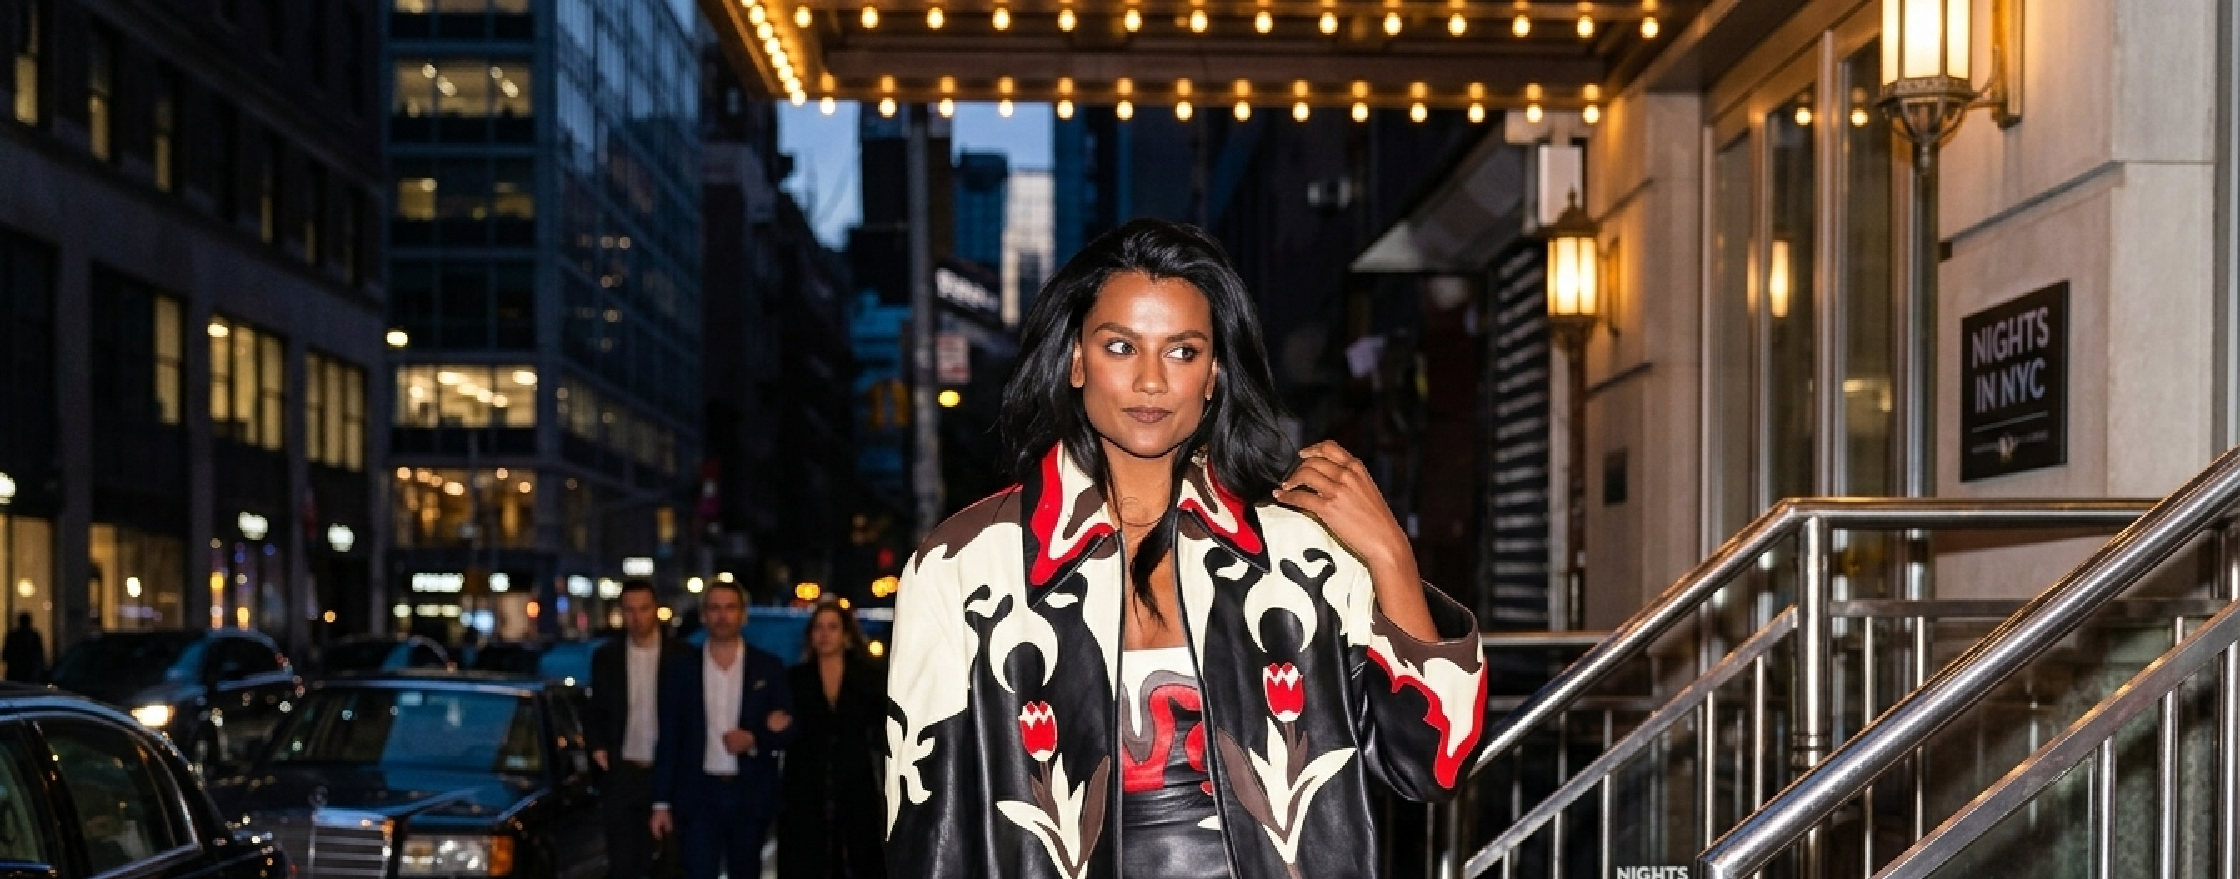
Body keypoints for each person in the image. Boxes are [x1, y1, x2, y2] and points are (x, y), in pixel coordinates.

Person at [883, 219, 1492, 879]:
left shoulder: (1302, 552)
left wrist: (1390, 554)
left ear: (1213, 373)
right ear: (1076, 360)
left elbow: (1436, 761)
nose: (1150, 380)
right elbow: (925, 839)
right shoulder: (963, 567)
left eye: (1182, 351)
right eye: (1120, 346)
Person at [650, 581, 794, 879]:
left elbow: (790, 727)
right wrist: (661, 802)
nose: (722, 616)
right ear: (703, 615)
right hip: (698, 793)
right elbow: (668, 737)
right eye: (714, 608)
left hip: (749, 792)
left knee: (745, 871)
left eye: (730, 608)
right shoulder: (681, 670)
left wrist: (754, 739)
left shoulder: (768, 668)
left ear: (742, 615)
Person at [776, 600, 887, 879]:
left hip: (856, 783)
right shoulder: (795, 680)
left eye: (832, 628)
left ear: (847, 635)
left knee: (860, 858)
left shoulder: (869, 679)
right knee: (807, 859)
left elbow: (884, 727)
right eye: (818, 628)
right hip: (805, 785)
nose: (824, 635)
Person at [588, 582, 690, 879]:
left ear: (656, 609)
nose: (637, 617)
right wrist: (598, 748)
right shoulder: (607, 657)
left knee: (671, 864)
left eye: (643, 609)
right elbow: (596, 709)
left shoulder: (682, 656)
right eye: (629, 610)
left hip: (669, 774)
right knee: (623, 863)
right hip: (624, 773)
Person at [2, 614, 42, 683]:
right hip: (30, 674)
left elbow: (5, 655)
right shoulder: (34, 636)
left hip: (15, 673)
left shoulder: (13, 636)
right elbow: (39, 656)